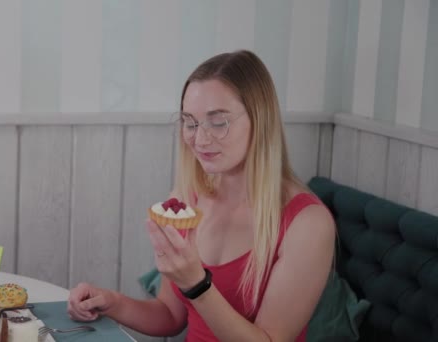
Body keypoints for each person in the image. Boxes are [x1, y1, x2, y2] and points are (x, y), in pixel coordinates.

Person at [67, 50, 335, 342]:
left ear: (261, 119)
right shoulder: (186, 201)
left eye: (218, 122)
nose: (200, 139)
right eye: (190, 122)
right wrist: (112, 302)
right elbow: (170, 315)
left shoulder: (308, 223)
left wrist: (197, 285)